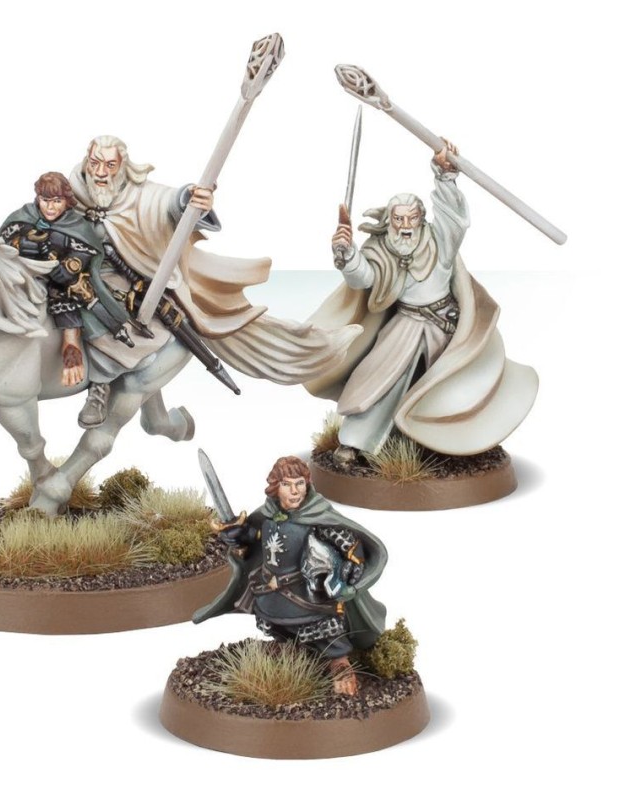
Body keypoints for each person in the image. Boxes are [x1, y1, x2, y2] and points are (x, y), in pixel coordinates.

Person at [68, 135, 362, 426]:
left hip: (126, 284)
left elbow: (167, 201)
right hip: (71, 274)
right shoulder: (71, 193)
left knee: (113, 326)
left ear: (123, 167)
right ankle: (158, 422)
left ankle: (99, 388)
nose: (101, 172)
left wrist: (191, 200)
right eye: (95, 163)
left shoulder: (139, 196)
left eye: (110, 165)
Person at [305, 142, 538, 462]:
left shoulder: (439, 241)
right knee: (379, 382)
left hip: (446, 327)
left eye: (411, 219)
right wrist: (347, 255)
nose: (405, 226)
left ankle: (452, 445)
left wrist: (444, 176)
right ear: (390, 221)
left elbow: (455, 219)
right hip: (406, 326)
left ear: (421, 219)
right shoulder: (383, 249)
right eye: (398, 219)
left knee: (452, 385)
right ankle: (355, 442)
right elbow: (364, 278)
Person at [194, 456, 387, 696]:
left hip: (308, 594)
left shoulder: (317, 517)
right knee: (275, 624)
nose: (295, 491)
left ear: (307, 485)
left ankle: (340, 665)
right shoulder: (268, 515)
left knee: (324, 630)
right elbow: (256, 541)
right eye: (287, 484)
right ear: (276, 488)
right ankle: (293, 651)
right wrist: (239, 535)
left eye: (300, 484)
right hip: (269, 591)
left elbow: (350, 545)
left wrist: (349, 575)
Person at [0, 172, 132, 420]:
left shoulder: (75, 224)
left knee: (70, 299)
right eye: (45, 200)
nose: (50, 207)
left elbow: (86, 249)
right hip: (21, 280)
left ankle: (74, 354)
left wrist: (71, 265)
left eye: (57, 201)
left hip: (62, 285)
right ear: (38, 198)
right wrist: (18, 248)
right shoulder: (23, 217)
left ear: (66, 202)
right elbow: (2, 244)